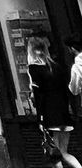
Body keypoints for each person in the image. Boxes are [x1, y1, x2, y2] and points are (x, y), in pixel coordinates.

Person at [28, 35, 82, 168]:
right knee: (63, 153)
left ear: (31, 51)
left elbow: (38, 96)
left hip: (50, 115)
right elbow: (67, 91)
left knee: (56, 156)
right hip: (63, 114)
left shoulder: (34, 69)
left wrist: (40, 119)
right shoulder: (57, 66)